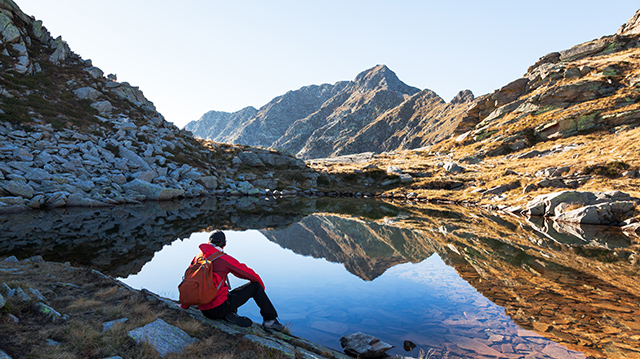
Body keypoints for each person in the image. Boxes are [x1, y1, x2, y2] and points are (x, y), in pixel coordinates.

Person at [180, 230, 285, 331]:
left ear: (208, 242)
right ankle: (270, 320)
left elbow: (190, 280)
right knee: (255, 286)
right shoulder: (223, 259)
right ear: (224, 244)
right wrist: (261, 289)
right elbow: (250, 275)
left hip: (203, 309)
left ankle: (230, 314)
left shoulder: (198, 257)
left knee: (225, 292)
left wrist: (184, 305)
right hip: (218, 308)